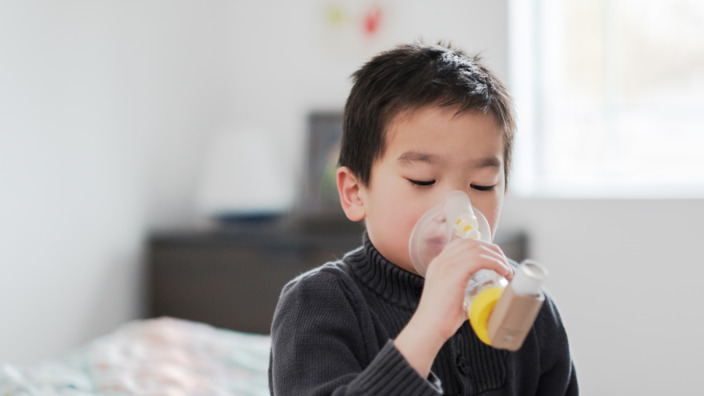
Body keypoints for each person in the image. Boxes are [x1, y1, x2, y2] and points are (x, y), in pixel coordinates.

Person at [269, 42, 578, 395]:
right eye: (422, 180)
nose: (455, 210)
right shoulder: (316, 304)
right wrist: (428, 327)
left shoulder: (525, 313)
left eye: (482, 184)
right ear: (355, 192)